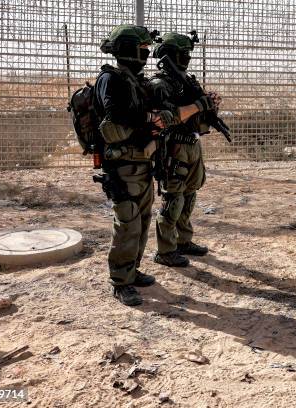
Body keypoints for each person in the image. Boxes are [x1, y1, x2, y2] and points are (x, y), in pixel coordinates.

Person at [94, 24, 175, 306]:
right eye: (142, 49)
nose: (147, 54)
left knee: (141, 220)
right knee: (127, 222)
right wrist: (148, 119)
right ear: (128, 50)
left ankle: (132, 269)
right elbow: (116, 115)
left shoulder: (134, 80)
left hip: (140, 162)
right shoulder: (111, 79)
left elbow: (146, 115)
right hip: (121, 165)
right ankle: (120, 281)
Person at [148, 32, 221, 268]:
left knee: (190, 194)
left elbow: (198, 115)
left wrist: (210, 104)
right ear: (173, 54)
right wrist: (199, 104)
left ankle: (183, 241)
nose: (188, 58)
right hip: (173, 147)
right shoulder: (160, 84)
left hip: (191, 143)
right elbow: (167, 118)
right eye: (184, 53)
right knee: (173, 198)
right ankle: (165, 250)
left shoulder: (186, 81)